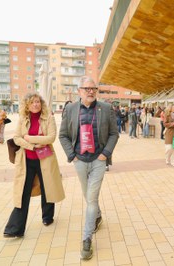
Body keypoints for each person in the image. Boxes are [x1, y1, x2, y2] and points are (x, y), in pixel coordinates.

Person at [59, 76, 119, 260]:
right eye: (87, 88)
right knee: (88, 195)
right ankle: (97, 216)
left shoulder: (106, 109)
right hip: (80, 160)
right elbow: (63, 135)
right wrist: (73, 156)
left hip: (98, 160)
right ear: (79, 91)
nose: (91, 91)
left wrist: (105, 154)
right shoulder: (70, 109)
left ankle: (86, 240)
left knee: (91, 199)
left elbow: (114, 134)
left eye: (93, 88)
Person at [4, 93, 65, 238]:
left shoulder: (48, 117)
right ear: (27, 105)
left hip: (45, 159)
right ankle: (15, 228)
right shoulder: (23, 119)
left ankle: (47, 217)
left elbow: (51, 137)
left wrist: (30, 138)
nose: (35, 104)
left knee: (47, 187)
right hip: (27, 160)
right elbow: (17, 138)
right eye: (32, 103)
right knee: (23, 193)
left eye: (37, 102)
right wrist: (31, 146)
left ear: (41, 103)